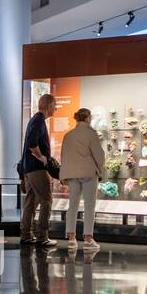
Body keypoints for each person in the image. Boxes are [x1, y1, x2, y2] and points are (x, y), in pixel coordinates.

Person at [57, 107, 104, 251]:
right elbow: (99, 155)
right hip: (89, 173)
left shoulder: (68, 135)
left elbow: (64, 155)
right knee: (89, 205)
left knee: (73, 204)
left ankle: (71, 238)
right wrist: (100, 170)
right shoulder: (91, 133)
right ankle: (88, 239)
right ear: (88, 118)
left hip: (72, 174)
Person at [20, 93, 57, 247]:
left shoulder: (36, 120)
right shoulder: (39, 120)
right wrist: (41, 156)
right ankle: (42, 236)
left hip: (29, 169)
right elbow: (31, 142)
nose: (55, 109)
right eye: (54, 105)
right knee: (47, 201)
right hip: (36, 169)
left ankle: (26, 234)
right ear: (49, 105)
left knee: (31, 202)